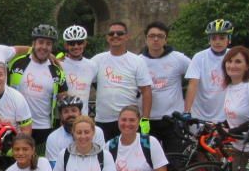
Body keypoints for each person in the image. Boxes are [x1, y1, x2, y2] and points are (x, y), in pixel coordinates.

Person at [7, 24, 68, 146]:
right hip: (17, 125)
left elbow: (63, 98)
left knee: (39, 163)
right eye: (41, 42)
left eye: (48, 44)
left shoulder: (57, 70)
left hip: (44, 127)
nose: (44, 47)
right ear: (33, 43)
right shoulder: (16, 63)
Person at [92, 21, 152, 139]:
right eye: (111, 33)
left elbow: (146, 91)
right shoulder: (97, 60)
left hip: (128, 120)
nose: (115, 36)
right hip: (103, 119)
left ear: (127, 36)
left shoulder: (137, 61)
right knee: (105, 155)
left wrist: (145, 120)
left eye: (119, 33)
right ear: (107, 37)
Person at [140, 21, 191, 155]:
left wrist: (189, 106)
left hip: (173, 120)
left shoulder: (178, 58)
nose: (155, 39)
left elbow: (196, 78)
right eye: (151, 36)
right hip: (148, 120)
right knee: (149, 160)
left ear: (166, 39)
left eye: (160, 36)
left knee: (175, 160)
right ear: (146, 39)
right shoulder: (138, 61)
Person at [184, 18, 233, 123]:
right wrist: (187, 111)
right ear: (209, 40)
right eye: (214, 38)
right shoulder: (199, 57)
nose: (217, 42)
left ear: (229, 39)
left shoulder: (233, 55)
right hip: (201, 114)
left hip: (226, 115)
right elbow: (193, 84)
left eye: (222, 38)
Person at [44, 96, 106, 167]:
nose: (70, 114)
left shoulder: (96, 131)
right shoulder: (53, 138)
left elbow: (101, 159)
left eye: (74, 110)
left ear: (80, 113)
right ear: (61, 116)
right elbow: (55, 168)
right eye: (66, 111)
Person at [59, 25, 96, 115]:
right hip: (63, 117)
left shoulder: (92, 65)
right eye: (71, 43)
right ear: (66, 45)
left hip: (83, 117)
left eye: (79, 42)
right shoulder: (59, 64)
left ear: (85, 43)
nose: (76, 46)